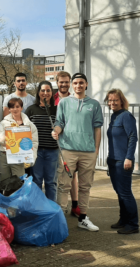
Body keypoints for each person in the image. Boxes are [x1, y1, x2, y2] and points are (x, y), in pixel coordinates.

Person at [52, 72, 103, 232]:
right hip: (67, 150)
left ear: (86, 84)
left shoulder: (94, 104)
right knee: (63, 185)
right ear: (72, 85)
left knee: (85, 186)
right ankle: (60, 220)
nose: (78, 86)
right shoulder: (64, 103)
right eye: (75, 83)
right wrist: (57, 131)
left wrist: (96, 151)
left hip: (88, 152)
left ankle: (83, 218)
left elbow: (97, 129)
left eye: (81, 83)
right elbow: (59, 122)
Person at [105, 89, 139, 234]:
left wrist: (129, 157)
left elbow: (133, 137)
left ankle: (133, 224)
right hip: (113, 160)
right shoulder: (114, 117)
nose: (112, 103)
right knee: (119, 192)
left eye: (115, 100)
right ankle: (123, 220)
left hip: (123, 161)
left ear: (121, 101)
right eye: (110, 100)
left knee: (125, 193)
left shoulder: (126, 116)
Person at [25, 81, 58, 201]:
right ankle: (39, 208)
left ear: (52, 93)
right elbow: (24, 129)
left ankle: (51, 208)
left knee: (51, 182)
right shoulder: (31, 110)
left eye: (48, 90)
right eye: (43, 90)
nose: (45, 93)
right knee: (37, 180)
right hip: (36, 151)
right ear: (38, 92)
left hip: (52, 151)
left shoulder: (56, 110)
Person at [54, 71, 80, 216]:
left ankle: (75, 205)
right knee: (58, 176)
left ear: (69, 83)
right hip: (55, 142)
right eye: (61, 82)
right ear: (57, 83)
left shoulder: (75, 99)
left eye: (66, 82)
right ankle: (57, 206)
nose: (63, 84)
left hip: (70, 143)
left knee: (71, 175)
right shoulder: (52, 99)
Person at [0, 98, 38, 180]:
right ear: (9, 109)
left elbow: (34, 143)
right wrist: (8, 131)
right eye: (12, 107)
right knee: (5, 184)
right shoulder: (3, 123)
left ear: (21, 108)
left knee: (19, 183)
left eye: (17, 106)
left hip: (20, 157)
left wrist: (30, 160)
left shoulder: (29, 125)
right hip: (5, 156)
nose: (15, 109)